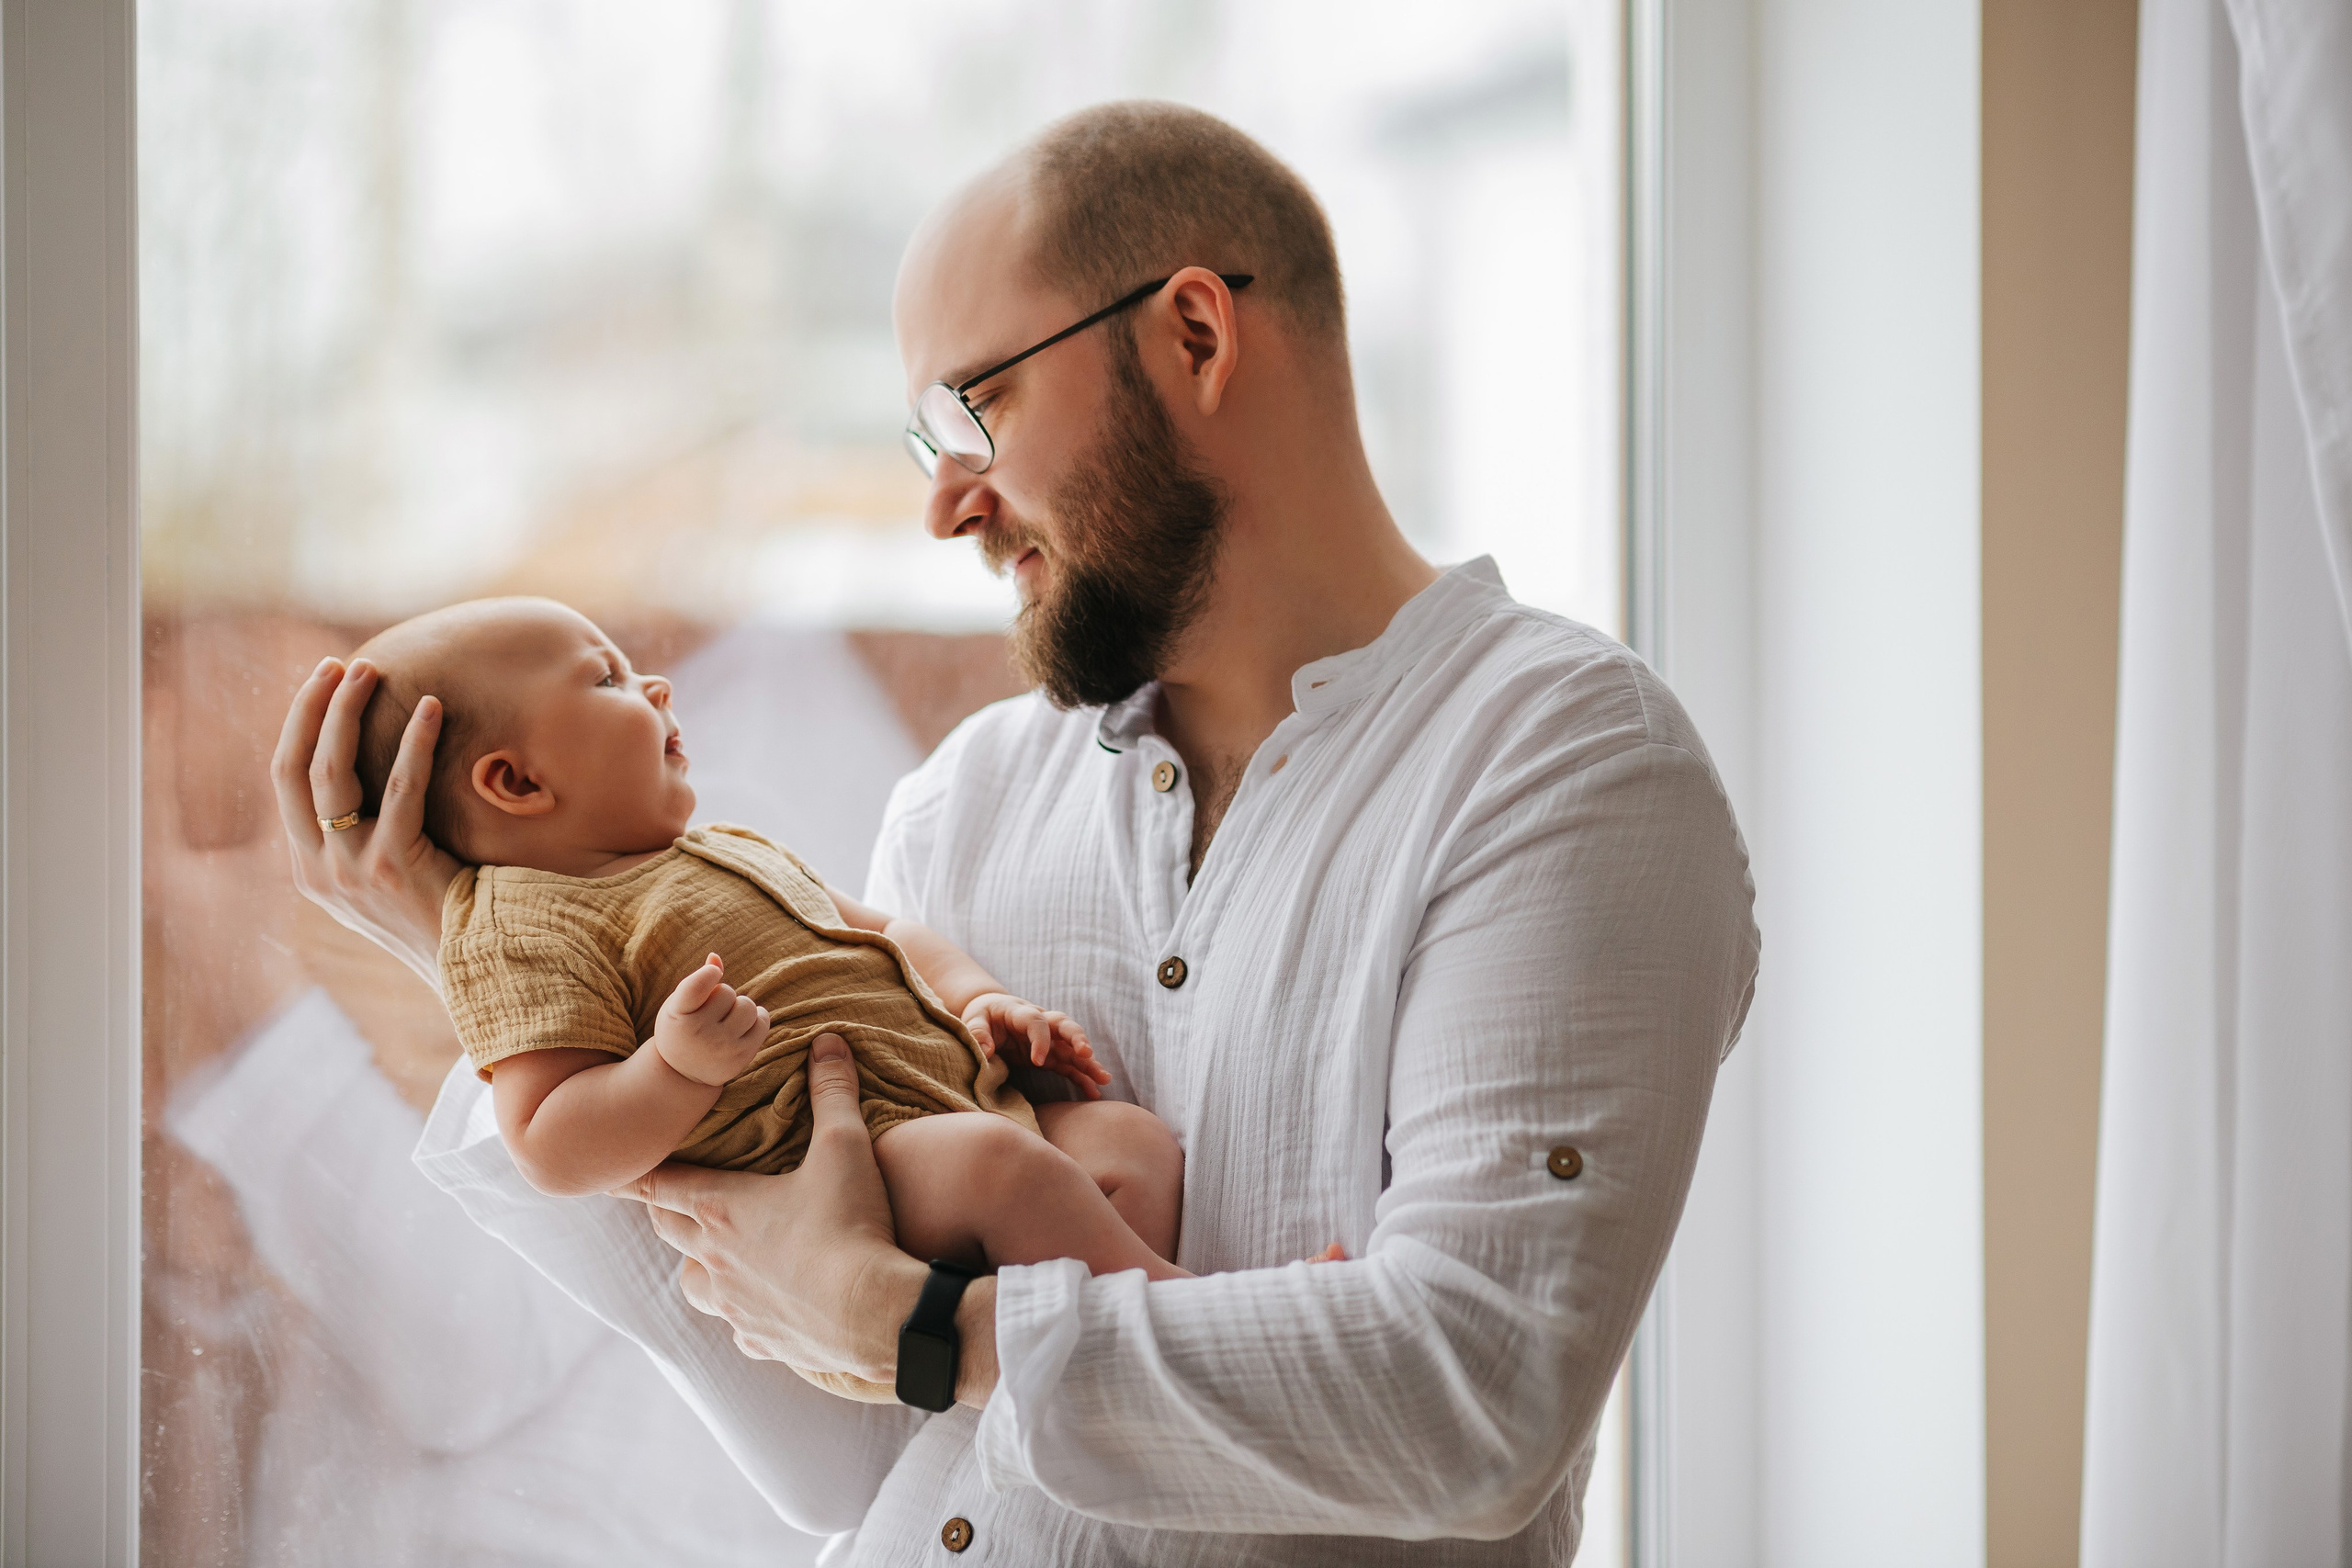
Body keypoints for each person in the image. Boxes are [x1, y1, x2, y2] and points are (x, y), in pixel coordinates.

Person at [276, 101, 1759, 1564]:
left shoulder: (1566, 771)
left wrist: (929, 1326)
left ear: (1194, 335)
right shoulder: (969, 799)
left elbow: (1470, 1401)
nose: (942, 505)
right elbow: (838, 1445)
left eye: (975, 408)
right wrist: (491, 958)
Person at [340, 597, 1186, 1396]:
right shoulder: (521, 928)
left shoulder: (719, 848)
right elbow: (547, 1140)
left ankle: (1119, 1351)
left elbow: (887, 934)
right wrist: (674, 1067)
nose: (657, 686)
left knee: (1131, 1143)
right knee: (1004, 1171)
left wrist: (978, 1000)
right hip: (847, 1175)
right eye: (607, 680)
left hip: (961, 1102)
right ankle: (1183, 1334)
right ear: (517, 783)